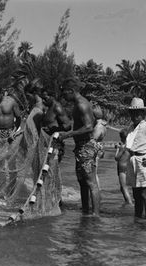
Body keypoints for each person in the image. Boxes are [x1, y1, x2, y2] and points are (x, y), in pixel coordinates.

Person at [58, 77, 101, 216]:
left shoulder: (82, 104)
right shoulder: (78, 104)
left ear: (71, 90)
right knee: (82, 181)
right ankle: (86, 211)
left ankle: (95, 215)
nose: (63, 95)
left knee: (91, 182)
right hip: (81, 147)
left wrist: (69, 134)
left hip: (86, 146)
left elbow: (89, 127)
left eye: (64, 92)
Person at [114, 128, 133, 204]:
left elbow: (117, 158)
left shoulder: (122, 147)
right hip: (128, 166)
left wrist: (118, 149)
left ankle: (130, 203)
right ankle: (127, 202)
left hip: (122, 167)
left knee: (124, 187)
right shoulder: (130, 146)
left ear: (121, 137)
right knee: (122, 187)